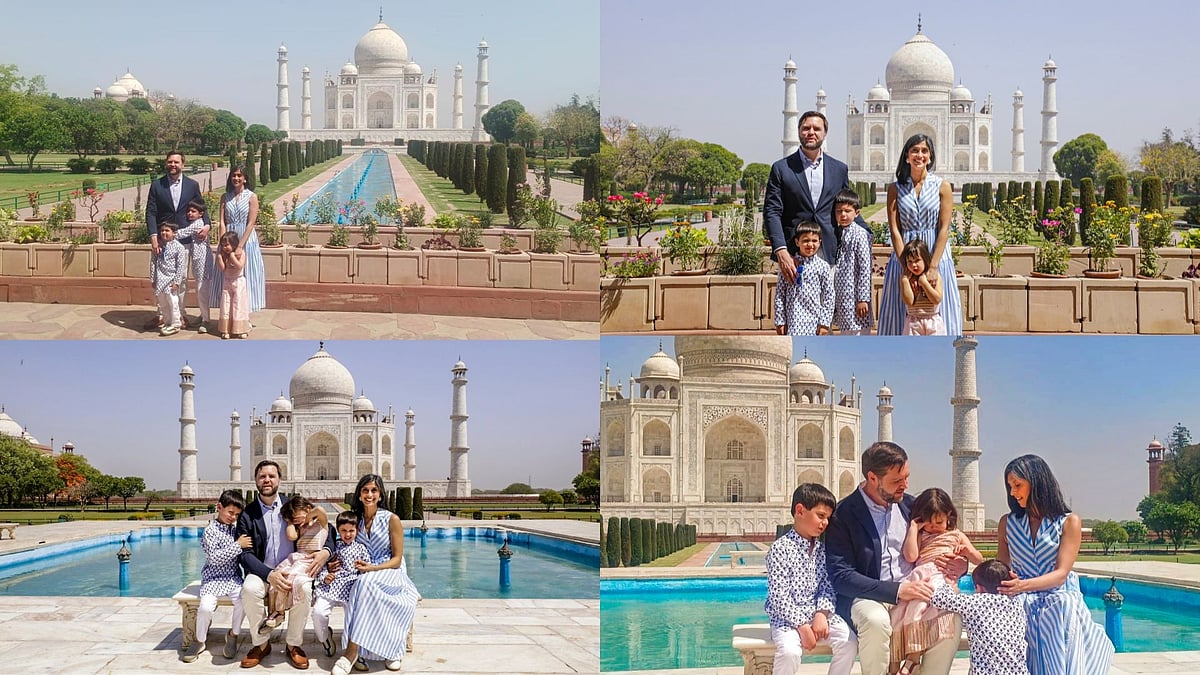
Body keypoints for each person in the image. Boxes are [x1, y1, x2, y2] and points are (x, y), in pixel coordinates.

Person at [825, 441, 966, 675]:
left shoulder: (912, 507)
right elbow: (841, 577)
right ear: (872, 478)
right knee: (875, 620)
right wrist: (898, 591)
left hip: (916, 593)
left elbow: (945, 541)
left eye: (906, 478)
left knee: (950, 616)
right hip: (869, 596)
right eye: (896, 481)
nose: (905, 486)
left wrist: (960, 565)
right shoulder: (844, 514)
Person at [996, 454, 1114, 674]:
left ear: (1037, 482)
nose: (1013, 492)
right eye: (1010, 486)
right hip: (1021, 599)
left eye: (1018, 485)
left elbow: (1061, 574)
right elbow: (1001, 568)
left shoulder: (1069, 522)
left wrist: (1022, 585)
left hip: (1057, 596)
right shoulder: (1008, 523)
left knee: (1062, 606)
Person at [237, 460, 333, 670]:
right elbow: (244, 555)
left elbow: (327, 529)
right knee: (249, 588)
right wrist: (269, 574)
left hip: (295, 569)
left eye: (271, 476)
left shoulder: (292, 506)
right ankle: (261, 644)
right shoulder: (248, 514)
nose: (267, 480)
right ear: (255, 480)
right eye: (262, 476)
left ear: (280, 479)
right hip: (262, 570)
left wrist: (325, 552)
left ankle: (293, 644)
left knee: (305, 589)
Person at [329, 474, 420, 675]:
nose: (369, 494)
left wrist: (372, 569)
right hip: (365, 571)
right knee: (363, 584)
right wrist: (332, 562)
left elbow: (397, 559)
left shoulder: (391, 519)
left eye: (374, 490)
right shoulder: (355, 519)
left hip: (389, 569)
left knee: (364, 584)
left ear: (380, 495)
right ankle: (386, 649)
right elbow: (341, 543)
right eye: (365, 490)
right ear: (359, 494)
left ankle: (352, 652)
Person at [764, 483, 857, 675]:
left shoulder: (821, 550)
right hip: (787, 620)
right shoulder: (780, 549)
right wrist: (803, 627)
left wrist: (822, 614)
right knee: (790, 653)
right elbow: (779, 597)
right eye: (820, 516)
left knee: (849, 643)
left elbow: (826, 586)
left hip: (818, 616)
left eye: (828, 518)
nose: (825, 523)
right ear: (800, 510)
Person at [764, 110, 871, 276]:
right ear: (799, 131)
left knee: (829, 301)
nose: (811, 132)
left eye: (816, 128)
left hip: (829, 250)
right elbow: (772, 211)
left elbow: (846, 205)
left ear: (825, 133)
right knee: (794, 301)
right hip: (794, 253)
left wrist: (866, 233)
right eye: (806, 128)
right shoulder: (782, 168)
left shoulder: (838, 169)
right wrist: (780, 250)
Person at [891, 488, 984, 675]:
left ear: (948, 515)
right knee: (903, 613)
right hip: (922, 576)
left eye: (939, 522)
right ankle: (896, 666)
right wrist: (914, 529)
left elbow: (979, 560)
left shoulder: (956, 535)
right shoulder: (921, 534)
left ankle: (913, 658)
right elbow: (911, 556)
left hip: (941, 578)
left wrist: (967, 553)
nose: (933, 527)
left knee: (919, 607)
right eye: (929, 523)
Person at [876, 134, 962, 335]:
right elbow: (895, 230)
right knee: (899, 309)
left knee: (940, 307)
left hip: (936, 253)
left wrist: (932, 266)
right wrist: (903, 262)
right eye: (914, 150)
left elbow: (944, 228)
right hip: (905, 254)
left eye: (924, 151)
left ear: (930, 157)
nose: (919, 155)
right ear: (906, 156)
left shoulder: (942, 186)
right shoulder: (895, 188)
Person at [184, 489, 252, 663]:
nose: (233, 517)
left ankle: (233, 634)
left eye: (237, 514)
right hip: (212, 579)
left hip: (233, 578)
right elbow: (214, 559)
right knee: (206, 608)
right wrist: (238, 546)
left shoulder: (235, 529)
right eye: (230, 512)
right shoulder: (210, 531)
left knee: (243, 601)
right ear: (219, 507)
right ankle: (199, 640)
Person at [930, 559, 1030, 675]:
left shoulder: (977, 602)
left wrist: (949, 583)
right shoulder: (1017, 602)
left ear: (979, 588)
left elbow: (938, 598)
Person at [145, 150, 208, 330]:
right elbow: (151, 212)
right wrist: (154, 237)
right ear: (166, 164)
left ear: (183, 164)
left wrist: (207, 225)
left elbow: (202, 207)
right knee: (160, 277)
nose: (173, 165)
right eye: (170, 162)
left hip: (184, 240)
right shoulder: (157, 185)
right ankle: (161, 315)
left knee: (180, 279)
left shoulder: (192, 185)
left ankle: (179, 315)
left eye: (176, 162)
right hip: (163, 240)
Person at [259, 496, 328, 634]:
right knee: (278, 576)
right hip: (297, 558)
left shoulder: (321, 523)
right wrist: (291, 522)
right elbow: (291, 536)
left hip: (310, 560)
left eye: (297, 517)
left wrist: (308, 517)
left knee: (291, 578)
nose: (298, 521)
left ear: (308, 509)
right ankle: (276, 612)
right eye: (293, 518)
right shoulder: (299, 528)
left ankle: (279, 612)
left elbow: (320, 510)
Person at [209, 166, 265, 323]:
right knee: (226, 277)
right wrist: (222, 244)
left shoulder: (251, 197)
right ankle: (229, 316)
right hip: (228, 239)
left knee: (246, 276)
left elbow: (251, 223)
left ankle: (244, 317)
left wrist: (240, 245)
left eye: (239, 176)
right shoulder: (225, 197)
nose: (236, 178)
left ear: (245, 178)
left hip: (245, 239)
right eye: (234, 175)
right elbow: (221, 221)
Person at [312, 511, 371, 658]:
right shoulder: (334, 546)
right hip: (331, 586)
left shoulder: (361, 548)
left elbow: (368, 568)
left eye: (351, 531)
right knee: (318, 612)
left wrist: (362, 568)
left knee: (354, 616)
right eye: (344, 531)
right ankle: (325, 638)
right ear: (338, 530)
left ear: (357, 530)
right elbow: (322, 565)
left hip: (351, 587)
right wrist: (326, 576)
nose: (348, 534)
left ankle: (353, 648)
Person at [773, 222, 833, 336]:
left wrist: (825, 323)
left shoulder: (823, 266)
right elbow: (780, 295)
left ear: (820, 242)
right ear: (797, 242)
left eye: (814, 241)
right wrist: (780, 321)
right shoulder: (789, 265)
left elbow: (829, 295)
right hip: (792, 322)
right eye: (806, 241)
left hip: (814, 322)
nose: (810, 244)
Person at [831, 189, 873, 335]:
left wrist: (863, 298)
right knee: (846, 332)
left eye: (847, 211)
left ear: (857, 213)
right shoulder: (838, 232)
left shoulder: (860, 234)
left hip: (855, 297)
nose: (843, 215)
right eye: (839, 211)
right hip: (843, 296)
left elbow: (865, 268)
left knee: (858, 332)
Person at [177, 199, 215, 334]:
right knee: (200, 289)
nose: (189, 214)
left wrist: (168, 233)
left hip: (203, 262)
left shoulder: (198, 224)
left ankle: (206, 320)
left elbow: (182, 233)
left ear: (201, 214)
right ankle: (203, 315)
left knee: (201, 290)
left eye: (193, 211)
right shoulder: (196, 223)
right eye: (188, 211)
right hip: (199, 261)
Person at [898, 239, 944, 335]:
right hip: (913, 322)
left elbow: (937, 299)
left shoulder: (934, 277)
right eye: (909, 261)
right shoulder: (907, 279)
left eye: (917, 260)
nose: (913, 265)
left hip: (932, 321)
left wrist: (925, 284)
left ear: (925, 259)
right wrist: (905, 281)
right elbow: (909, 301)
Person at [151, 221, 186, 337]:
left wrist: (177, 281)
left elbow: (180, 266)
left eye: (167, 230)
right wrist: (153, 278)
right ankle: (167, 322)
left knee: (172, 302)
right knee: (163, 303)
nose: (164, 233)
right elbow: (153, 262)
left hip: (171, 279)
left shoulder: (179, 247)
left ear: (174, 233)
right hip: (160, 278)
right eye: (162, 230)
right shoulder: (158, 246)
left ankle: (176, 324)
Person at [216, 231, 249, 339]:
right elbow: (222, 269)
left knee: (238, 305)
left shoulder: (241, 253)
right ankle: (225, 329)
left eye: (227, 245)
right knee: (226, 304)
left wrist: (232, 256)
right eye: (223, 245)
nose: (225, 247)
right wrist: (220, 258)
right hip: (227, 281)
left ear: (234, 244)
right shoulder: (223, 255)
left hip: (238, 282)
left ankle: (240, 329)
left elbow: (239, 266)